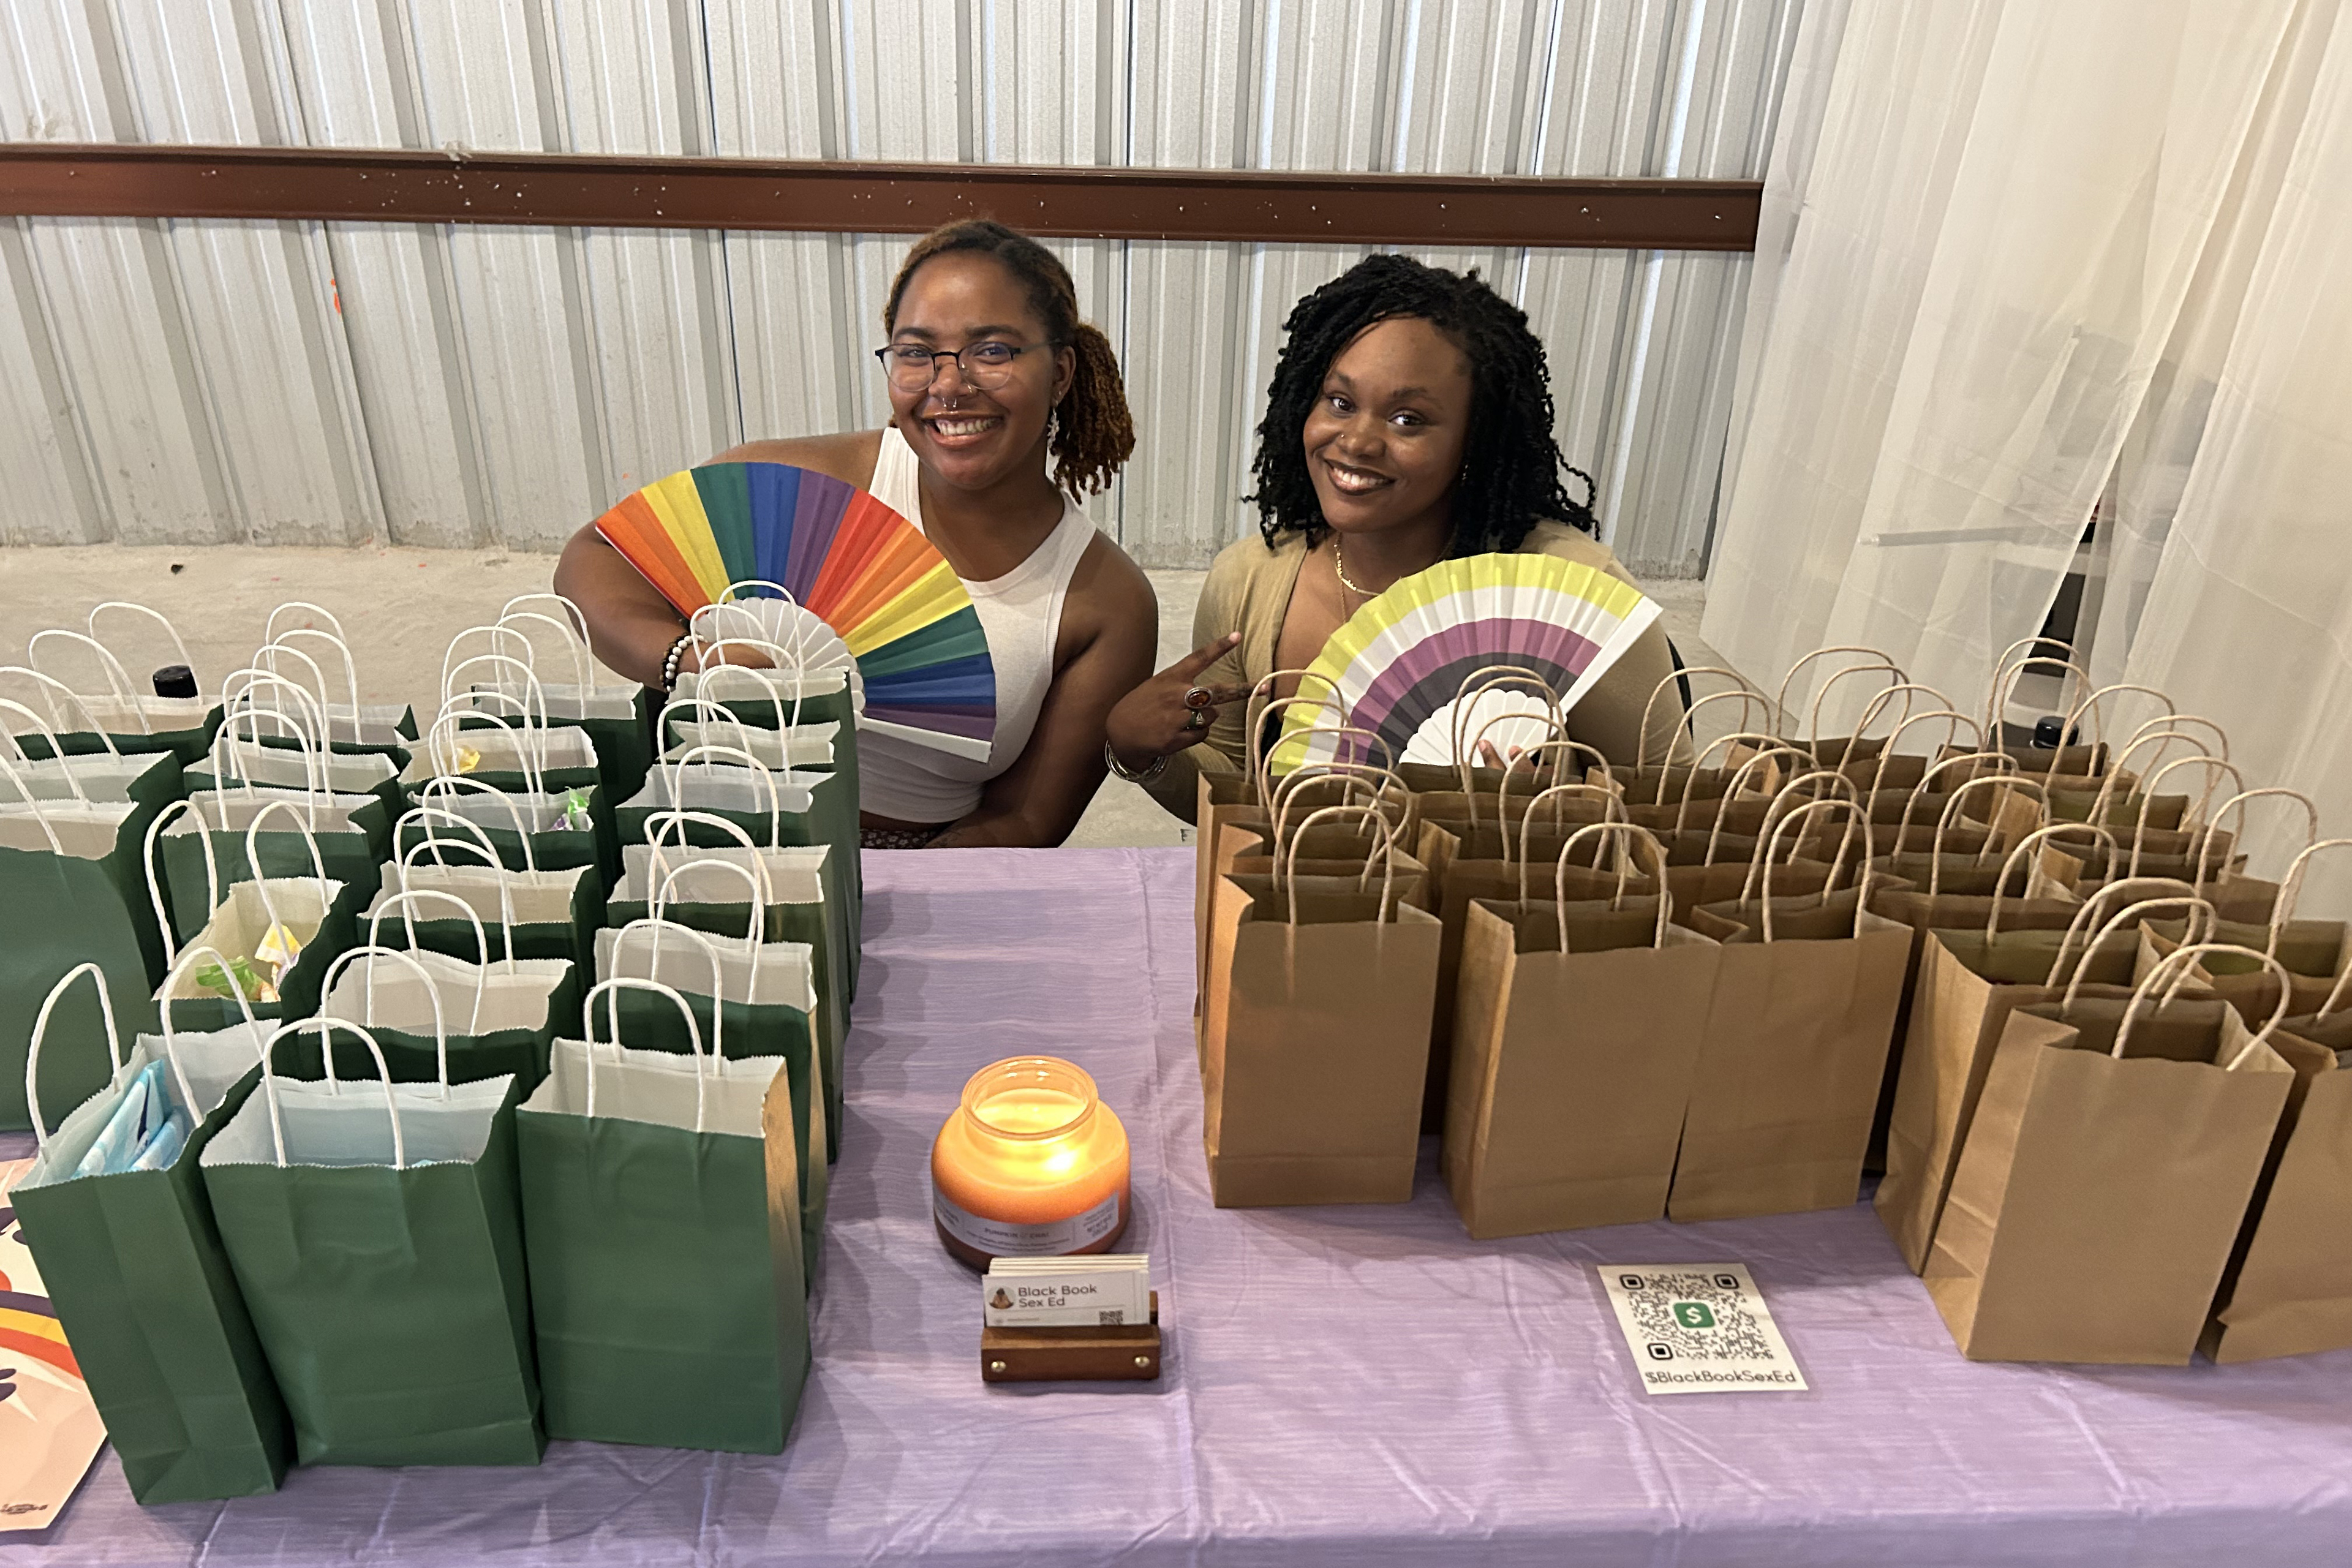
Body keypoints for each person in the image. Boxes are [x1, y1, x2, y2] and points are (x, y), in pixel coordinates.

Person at [555, 221, 1158, 848]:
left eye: (993, 350)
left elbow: (1026, 821)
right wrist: (686, 658)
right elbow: (594, 557)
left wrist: (854, 900)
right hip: (702, 820)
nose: (948, 386)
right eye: (917, 352)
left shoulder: (1106, 603)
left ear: (1060, 372)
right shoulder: (793, 484)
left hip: (920, 869)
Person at [1105, 254, 1686, 819]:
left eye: (1408, 419)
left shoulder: (1579, 591)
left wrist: (1566, 804)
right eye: (1340, 402)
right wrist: (1141, 753)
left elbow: (1682, 813)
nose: (1356, 441)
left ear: (1473, 442)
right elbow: (1241, 803)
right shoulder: (1250, 579)